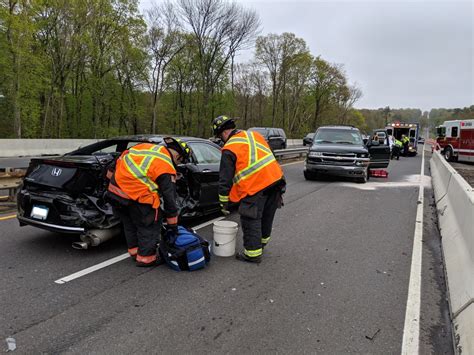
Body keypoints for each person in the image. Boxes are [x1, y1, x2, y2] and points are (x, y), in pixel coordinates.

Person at [107, 137, 191, 267]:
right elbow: (170, 200)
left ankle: (134, 252)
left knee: (129, 223)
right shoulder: (166, 165)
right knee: (149, 225)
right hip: (137, 197)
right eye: (180, 162)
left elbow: (111, 169)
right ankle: (146, 259)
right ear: (178, 156)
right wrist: (172, 225)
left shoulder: (142, 147)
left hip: (115, 193)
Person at [213, 115, 286, 264]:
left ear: (223, 133)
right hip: (276, 181)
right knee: (267, 215)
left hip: (255, 186)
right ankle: (261, 244)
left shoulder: (229, 148)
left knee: (250, 218)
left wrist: (223, 203)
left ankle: (252, 254)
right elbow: (270, 156)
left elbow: (225, 179)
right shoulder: (255, 135)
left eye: (220, 137)